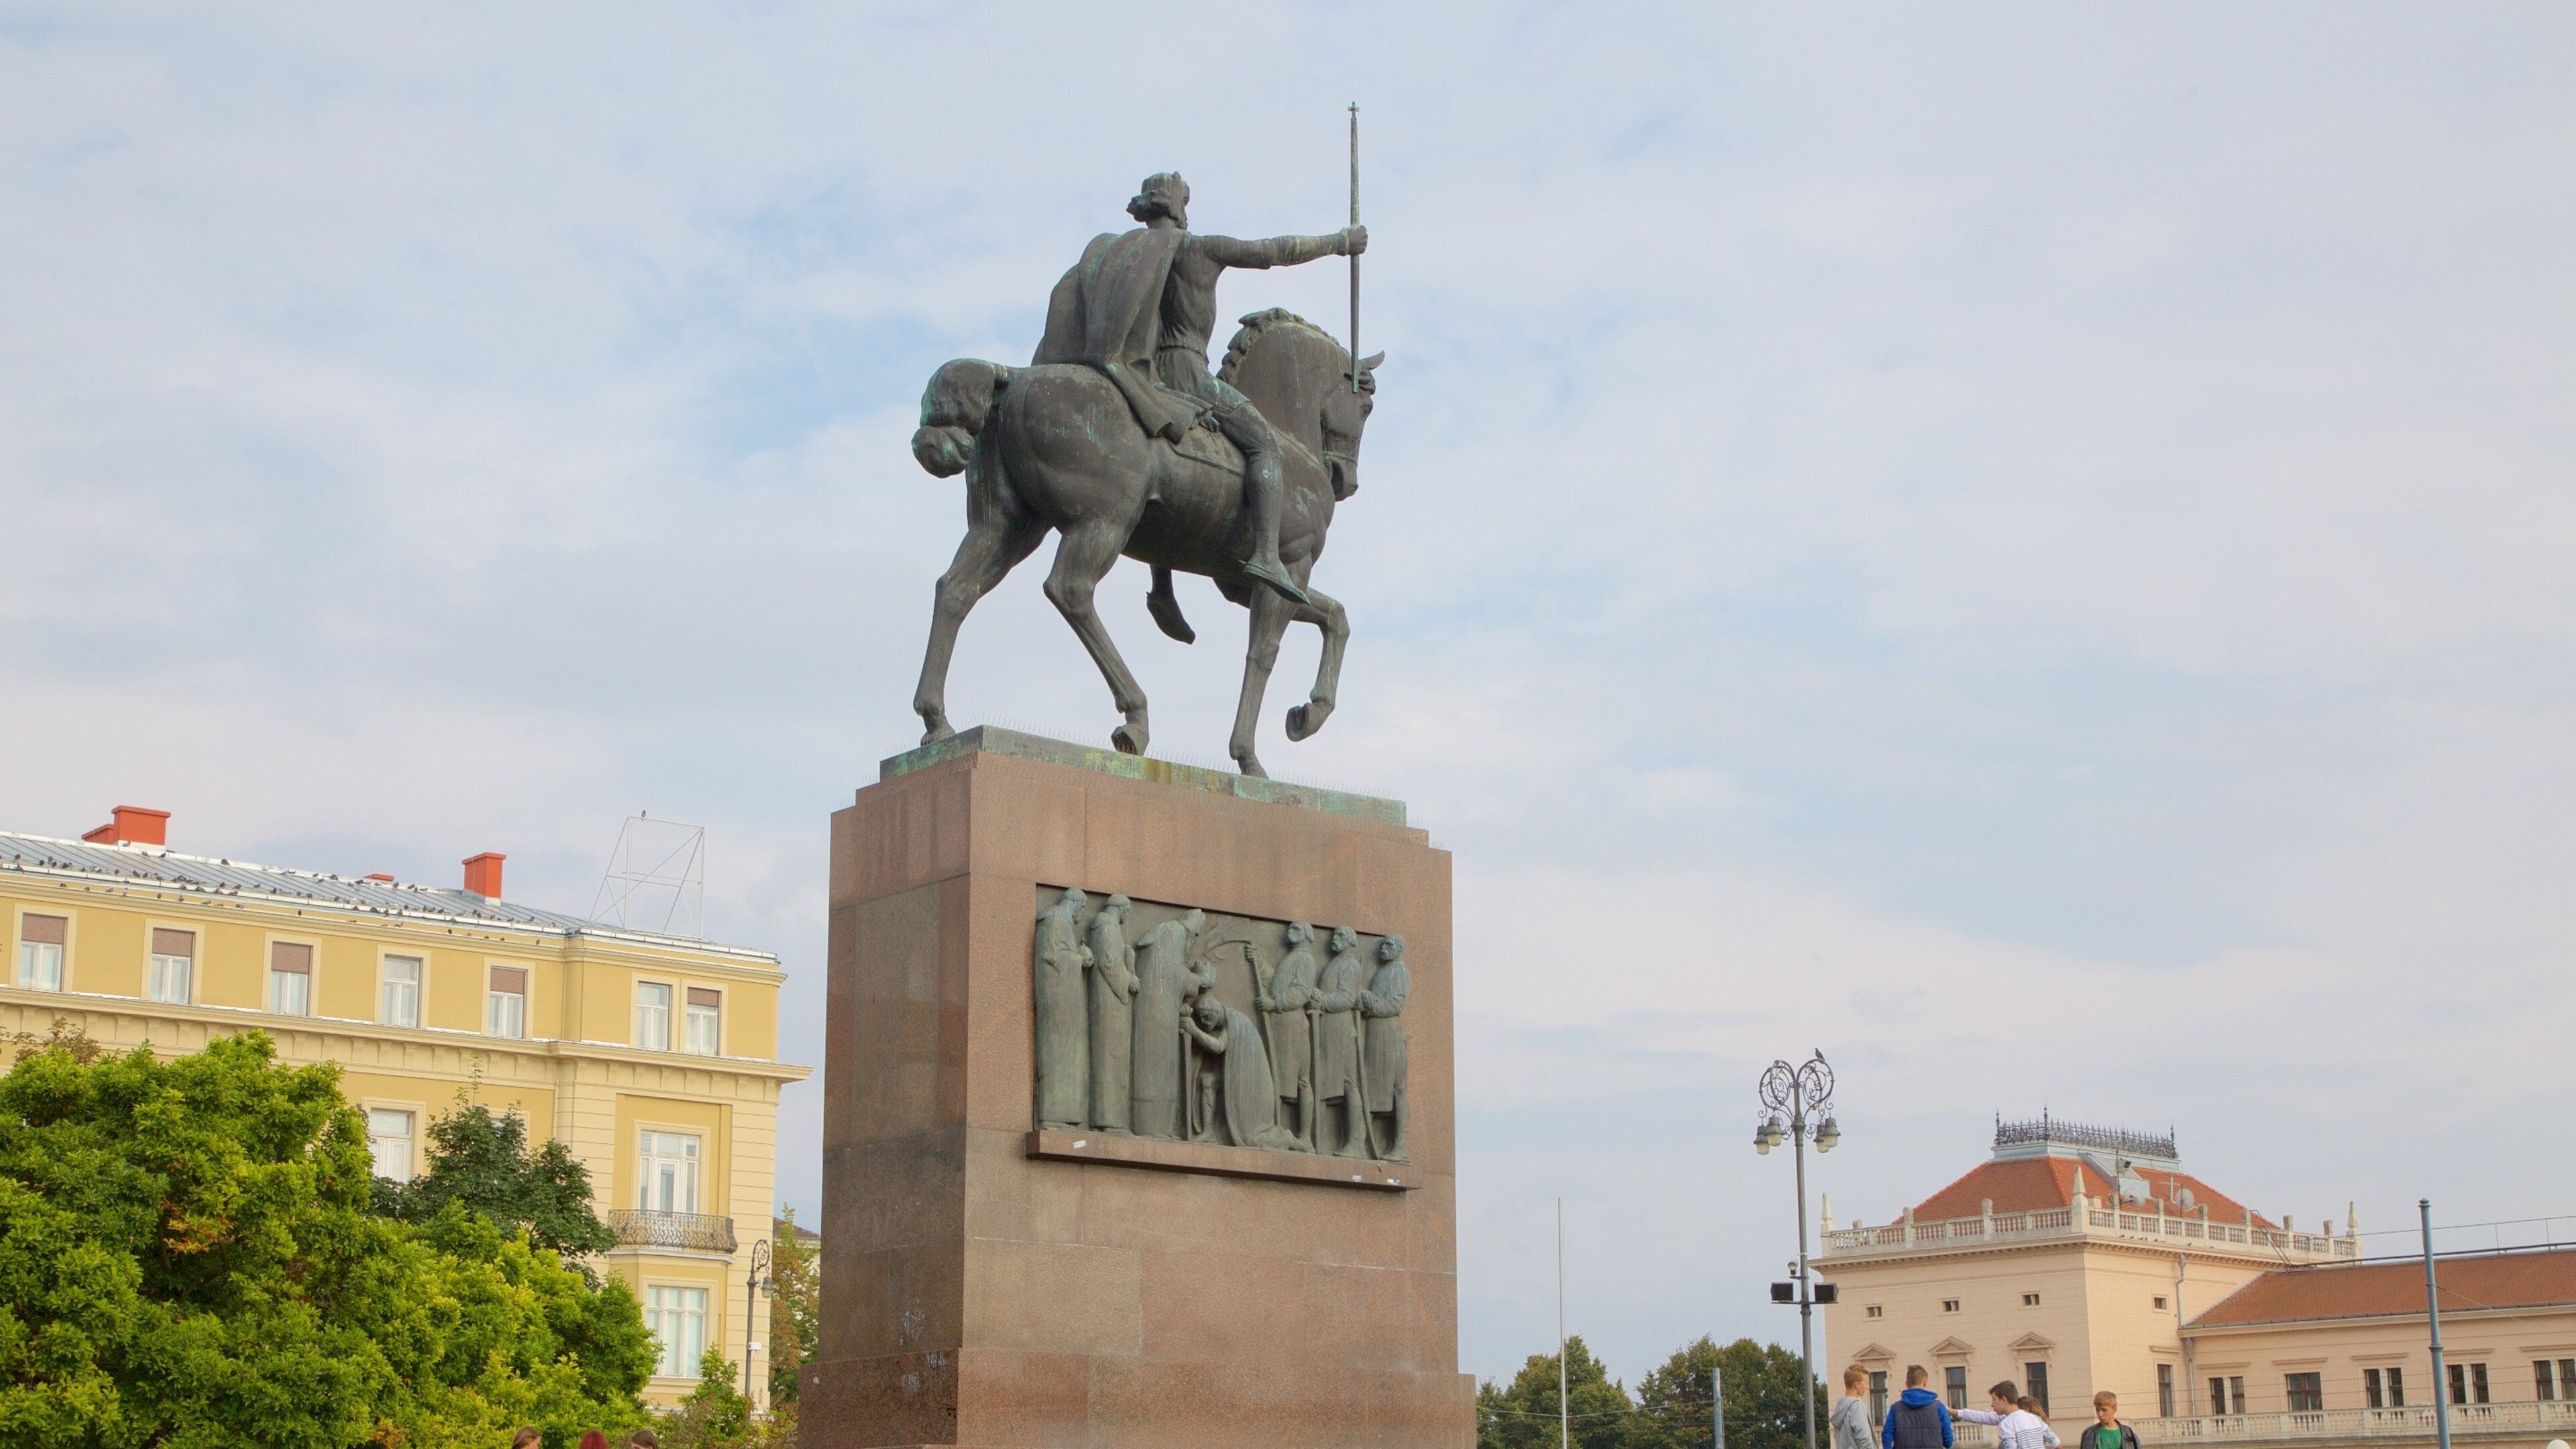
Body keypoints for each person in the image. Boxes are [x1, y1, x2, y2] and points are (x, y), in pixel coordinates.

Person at [1034, 172, 1365, 606]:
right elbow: (1274, 251)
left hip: (1148, 373)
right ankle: (1267, 555)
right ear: (1179, 209)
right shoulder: (1198, 249)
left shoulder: (1127, 254)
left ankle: (1163, 587)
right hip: (1188, 372)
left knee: (1163, 454)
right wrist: (1339, 242)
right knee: (1265, 447)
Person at [1955, 1381, 2059, 1449]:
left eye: (1994, 1400)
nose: (1992, 1404)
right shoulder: (2036, 1419)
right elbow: (2057, 1444)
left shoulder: (2006, 1424)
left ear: (2004, 1400)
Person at [1882, 1364, 1955, 1449]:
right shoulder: (1939, 1407)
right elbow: (1948, 1442)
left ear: (1907, 1384)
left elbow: (1887, 1435)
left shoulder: (1895, 1408)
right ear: (1925, 1382)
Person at [1834, 1366, 1878, 1449]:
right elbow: (1864, 1440)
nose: (1868, 1387)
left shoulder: (1840, 1408)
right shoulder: (1857, 1407)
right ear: (1857, 1385)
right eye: (1866, 1383)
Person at [2075, 1392, 2139, 1449]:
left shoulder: (2129, 1434)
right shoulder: (2089, 1433)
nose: (2100, 1414)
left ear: (2114, 1409)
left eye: (2104, 1410)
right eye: (2098, 1410)